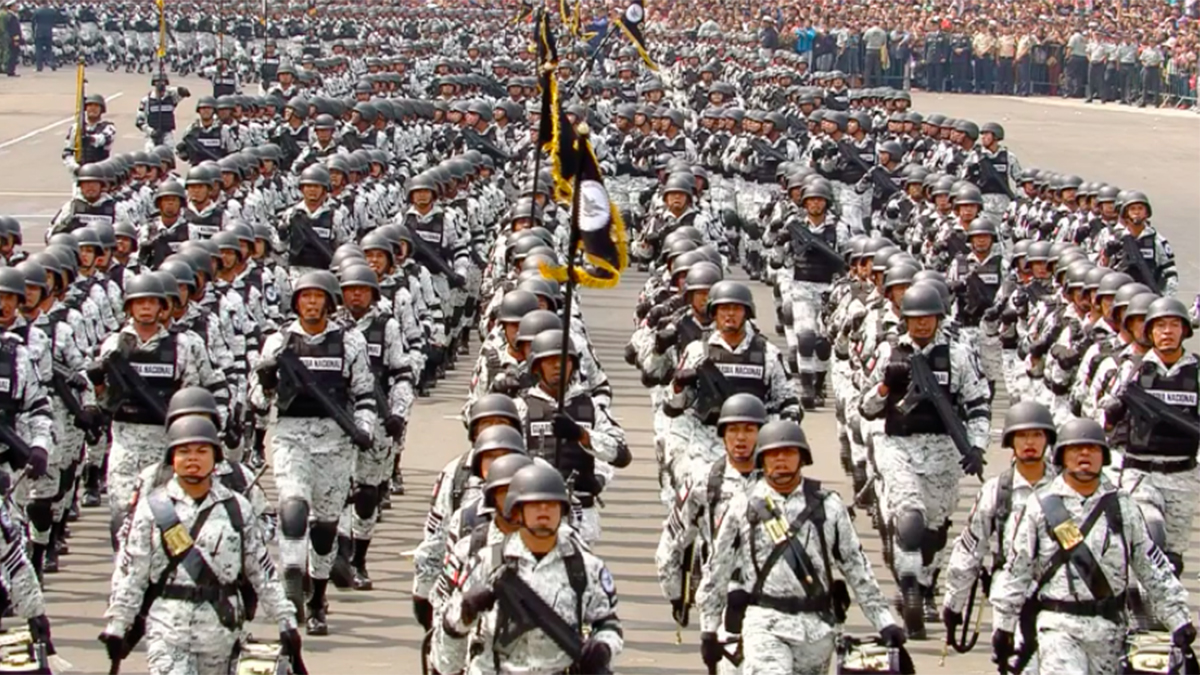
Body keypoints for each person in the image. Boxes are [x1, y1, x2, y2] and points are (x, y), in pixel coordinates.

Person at [696, 420, 904, 673]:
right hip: (764, 623)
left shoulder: (829, 506)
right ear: (762, 460)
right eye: (772, 454)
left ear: (802, 458)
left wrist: (885, 622)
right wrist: (709, 628)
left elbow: (856, 567)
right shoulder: (744, 506)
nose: (780, 460)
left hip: (817, 630)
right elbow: (717, 569)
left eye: (788, 453)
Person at [989, 417, 1194, 675]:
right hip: (1058, 626)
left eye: (1093, 448)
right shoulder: (1040, 507)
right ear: (1062, 456)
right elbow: (1017, 571)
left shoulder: (1123, 507)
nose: (1084, 454)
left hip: (1109, 631)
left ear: (1104, 457)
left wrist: (1179, 620)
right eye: (1076, 448)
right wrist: (1004, 627)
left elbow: (1151, 567)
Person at [101, 415, 302, 675]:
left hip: (222, 630)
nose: (192, 458)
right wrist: (118, 625)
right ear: (172, 458)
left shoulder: (237, 508)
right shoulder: (152, 509)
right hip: (168, 631)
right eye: (183, 451)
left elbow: (262, 571)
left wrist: (286, 621)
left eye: (201, 451)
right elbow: (132, 574)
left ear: (215, 457)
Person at [859, 282, 991, 637]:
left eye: (927, 318)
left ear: (938, 318)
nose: (920, 325)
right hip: (899, 447)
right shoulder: (889, 352)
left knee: (934, 531)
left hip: (944, 452)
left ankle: (925, 582)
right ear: (904, 319)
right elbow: (866, 407)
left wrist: (976, 447)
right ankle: (910, 588)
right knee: (910, 521)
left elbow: (978, 404)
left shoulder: (959, 356)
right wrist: (885, 386)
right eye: (914, 318)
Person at [250, 270, 376, 635]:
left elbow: (364, 393)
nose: (311, 303)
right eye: (305, 297)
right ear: (295, 302)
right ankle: (291, 575)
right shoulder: (278, 342)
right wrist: (267, 384)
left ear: (329, 302)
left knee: (324, 531)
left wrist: (364, 428)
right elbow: (258, 402)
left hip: (335, 442)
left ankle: (317, 598)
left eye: (318, 297)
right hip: (291, 438)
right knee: (292, 507)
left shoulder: (350, 342)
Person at [436, 462, 623, 674]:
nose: (544, 511)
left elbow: (608, 623)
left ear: (562, 511)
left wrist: (603, 648)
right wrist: (465, 611)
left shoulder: (585, 568)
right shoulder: (487, 562)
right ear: (517, 512)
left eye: (552, 504)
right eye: (535, 504)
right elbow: (447, 652)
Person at [941, 402, 1056, 659]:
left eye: (1037, 435)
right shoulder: (997, 491)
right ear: (1010, 442)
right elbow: (971, 548)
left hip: (1061, 597)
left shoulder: (1065, 490)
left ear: (1048, 440)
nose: (1030, 442)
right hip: (1011, 599)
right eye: (1022, 435)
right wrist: (954, 604)